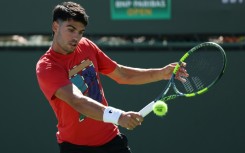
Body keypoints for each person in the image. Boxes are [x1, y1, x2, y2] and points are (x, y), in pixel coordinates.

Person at [36, 1, 188, 153]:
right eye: (71, 30)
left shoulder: (86, 46)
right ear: (56, 27)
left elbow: (122, 74)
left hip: (111, 141)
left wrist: (161, 73)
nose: (76, 37)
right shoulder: (47, 67)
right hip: (75, 147)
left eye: (81, 32)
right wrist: (118, 116)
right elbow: (77, 101)